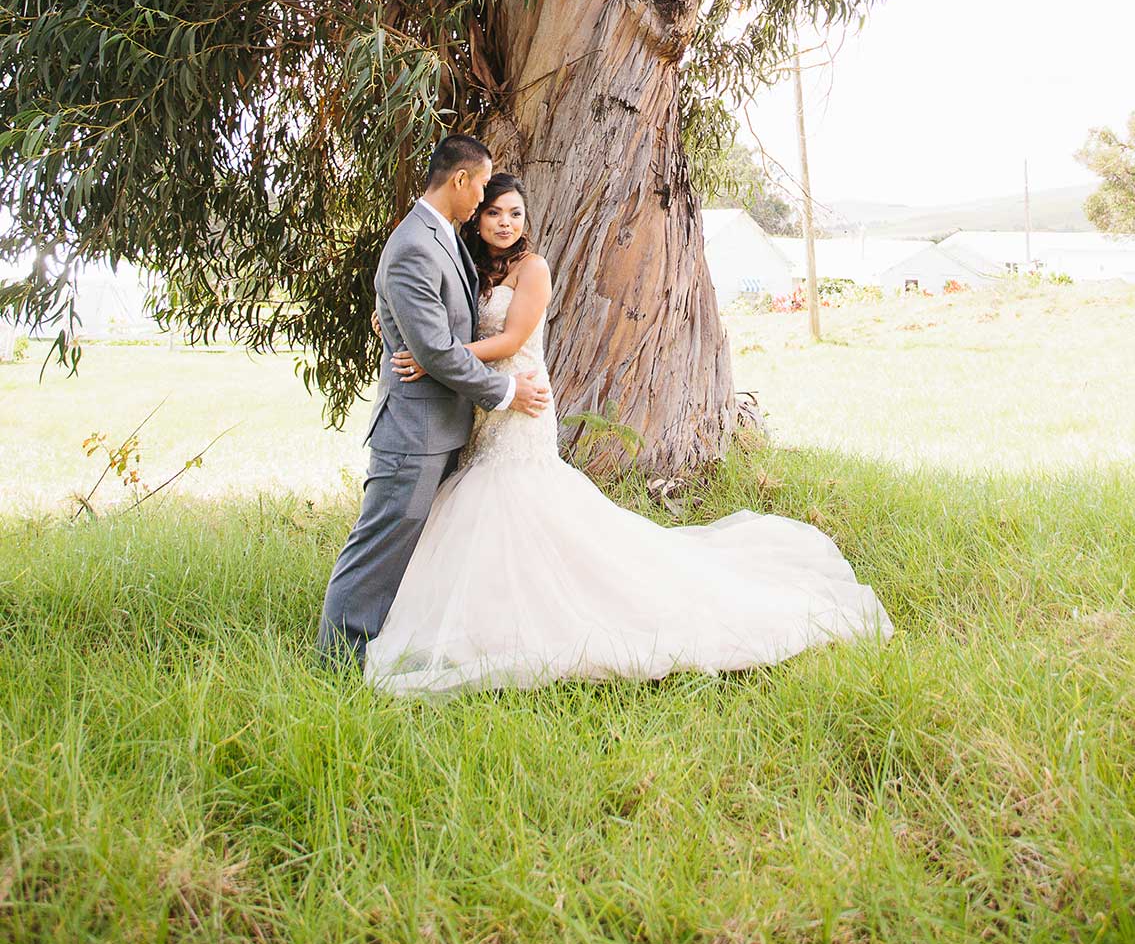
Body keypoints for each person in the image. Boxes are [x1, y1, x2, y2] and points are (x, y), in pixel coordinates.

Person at [364, 171, 891, 695]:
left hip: (522, 403)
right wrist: (402, 328)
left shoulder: (533, 268)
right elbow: (434, 316)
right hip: (484, 407)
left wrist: (436, 359)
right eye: (494, 212)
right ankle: (488, 615)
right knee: (481, 510)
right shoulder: (466, 265)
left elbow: (512, 338)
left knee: (518, 501)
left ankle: (554, 612)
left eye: (515, 213)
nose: (504, 222)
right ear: (477, 218)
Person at [316, 135, 551, 666]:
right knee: (380, 543)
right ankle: (338, 661)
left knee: (422, 547)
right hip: (413, 428)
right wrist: (507, 390)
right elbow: (437, 348)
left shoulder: (444, 236)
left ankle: (399, 643)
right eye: (484, 190)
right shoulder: (414, 243)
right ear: (461, 181)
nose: (487, 202)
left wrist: (396, 323)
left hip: (447, 424)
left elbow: (445, 321)